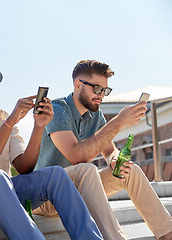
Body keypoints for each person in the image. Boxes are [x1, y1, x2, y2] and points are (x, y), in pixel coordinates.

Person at [0, 52, 103, 240]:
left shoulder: (2, 117)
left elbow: (24, 166)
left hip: (0, 191)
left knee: (56, 175)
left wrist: (39, 126)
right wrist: (11, 122)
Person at [34, 60, 172, 240]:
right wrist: (119, 122)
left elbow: (110, 150)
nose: (101, 95)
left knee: (130, 172)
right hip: (46, 196)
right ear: (78, 85)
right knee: (87, 169)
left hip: (78, 188)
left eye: (105, 91)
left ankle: (167, 235)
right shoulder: (58, 109)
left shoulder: (95, 114)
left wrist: (114, 160)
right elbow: (76, 156)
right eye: (97, 89)